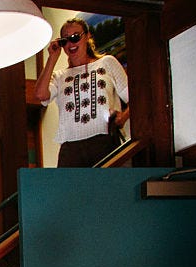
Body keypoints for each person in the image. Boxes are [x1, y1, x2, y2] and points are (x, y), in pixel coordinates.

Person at [34, 18, 130, 167]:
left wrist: (122, 118)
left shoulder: (107, 63)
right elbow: (41, 95)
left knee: (106, 188)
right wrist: (52, 58)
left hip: (104, 141)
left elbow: (134, 97)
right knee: (69, 190)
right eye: (65, 41)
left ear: (87, 36)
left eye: (75, 37)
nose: (71, 44)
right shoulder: (60, 76)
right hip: (71, 148)